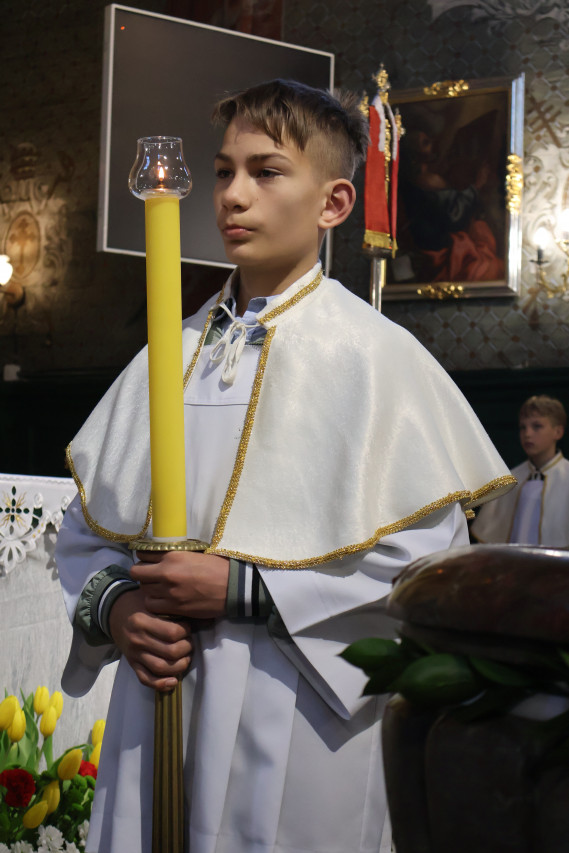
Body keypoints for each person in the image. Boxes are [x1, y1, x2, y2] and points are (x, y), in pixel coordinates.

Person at [55, 79, 515, 853]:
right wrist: (121, 611)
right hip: (157, 693)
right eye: (223, 171)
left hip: (297, 708)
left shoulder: (375, 360)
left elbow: (420, 571)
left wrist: (243, 589)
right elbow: (83, 533)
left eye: (265, 171)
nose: (232, 195)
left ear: (334, 203)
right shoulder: (169, 352)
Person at [471, 394, 569, 547]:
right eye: (523, 427)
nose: (527, 434)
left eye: (537, 426)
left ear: (558, 432)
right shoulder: (511, 479)